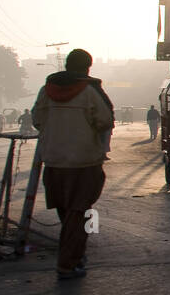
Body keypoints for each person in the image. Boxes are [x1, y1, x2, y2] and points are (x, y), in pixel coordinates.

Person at [32, 49, 113, 280]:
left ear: (67, 65)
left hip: (54, 162)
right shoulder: (90, 91)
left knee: (67, 212)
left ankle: (74, 255)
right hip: (84, 163)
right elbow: (105, 120)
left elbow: (37, 120)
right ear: (88, 67)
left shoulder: (46, 91)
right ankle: (69, 262)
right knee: (80, 214)